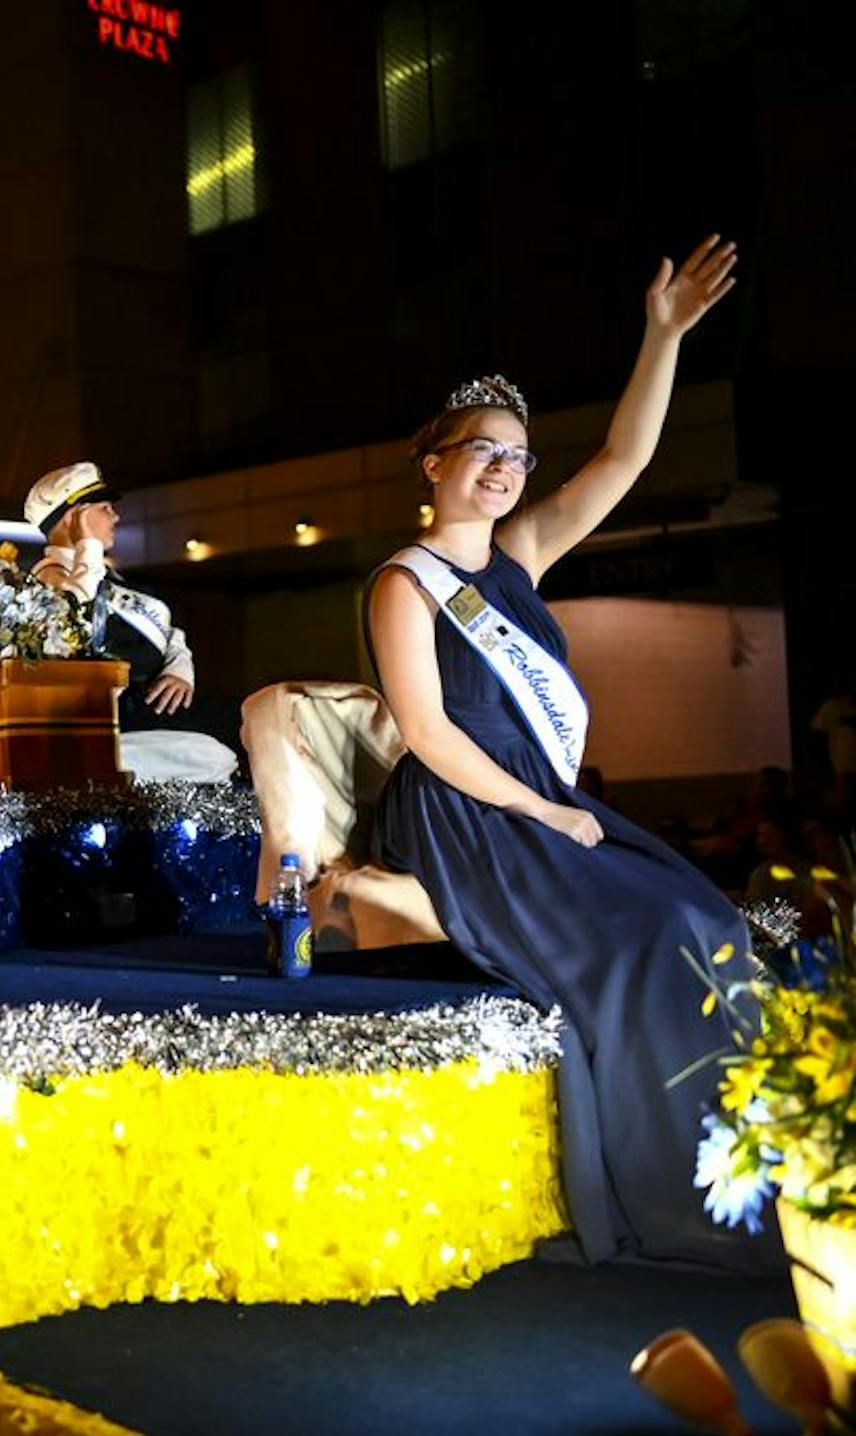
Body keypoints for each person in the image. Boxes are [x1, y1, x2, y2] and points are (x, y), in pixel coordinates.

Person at [364, 236, 772, 1272]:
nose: (503, 469)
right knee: (646, 937)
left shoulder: (523, 554)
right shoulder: (402, 583)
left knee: (703, 915)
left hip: (540, 801)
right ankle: (671, 1192)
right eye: (482, 450)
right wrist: (545, 814)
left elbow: (625, 460)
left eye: (517, 456)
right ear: (435, 463)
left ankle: (752, 1170)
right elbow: (426, 734)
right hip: (467, 814)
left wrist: (663, 333)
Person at [23, 462, 237, 782]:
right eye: (105, 508)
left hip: (151, 703)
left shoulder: (107, 575)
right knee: (239, 722)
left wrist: (180, 669)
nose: (116, 517)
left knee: (244, 717)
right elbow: (74, 618)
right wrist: (88, 546)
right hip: (112, 712)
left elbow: (170, 632)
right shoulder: (49, 576)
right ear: (74, 517)